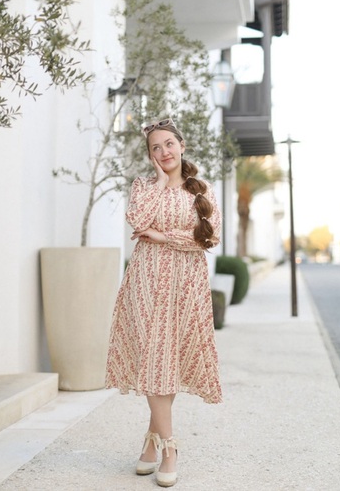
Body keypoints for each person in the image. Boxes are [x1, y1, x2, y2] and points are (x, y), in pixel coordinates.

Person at [105, 118, 223, 487]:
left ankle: (151, 441)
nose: (164, 152)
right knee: (154, 358)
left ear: (182, 146)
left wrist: (162, 235)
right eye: (155, 147)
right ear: (150, 155)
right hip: (146, 281)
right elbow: (137, 221)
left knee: (170, 360)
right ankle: (170, 448)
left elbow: (208, 238)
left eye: (169, 144)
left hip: (186, 285)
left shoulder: (203, 189)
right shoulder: (143, 187)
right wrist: (158, 184)